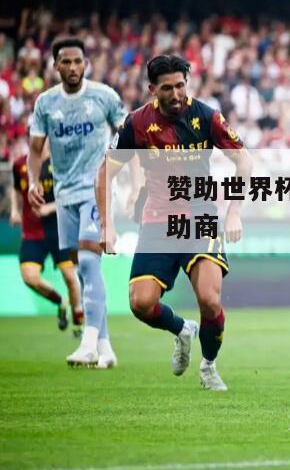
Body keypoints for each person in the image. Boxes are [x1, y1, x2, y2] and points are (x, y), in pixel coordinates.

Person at [98, 55, 251, 391]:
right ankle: (182, 330)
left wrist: (234, 211)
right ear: (152, 89)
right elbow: (105, 173)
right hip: (158, 220)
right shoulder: (137, 123)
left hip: (200, 215)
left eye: (181, 85)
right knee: (141, 304)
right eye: (167, 88)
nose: (176, 94)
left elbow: (244, 161)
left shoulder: (207, 117)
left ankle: (208, 365)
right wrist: (107, 225)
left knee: (209, 300)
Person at [28, 37, 127, 368]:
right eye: (66, 62)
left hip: (96, 189)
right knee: (86, 271)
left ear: (86, 64)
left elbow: (128, 132)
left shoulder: (103, 96)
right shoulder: (45, 103)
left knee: (87, 261)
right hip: (64, 194)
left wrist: (127, 175)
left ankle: (87, 343)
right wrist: (33, 181)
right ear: (56, 66)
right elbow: (34, 149)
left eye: (78, 61)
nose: (72, 67)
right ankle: (105, 347)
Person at [11, 141, 83, 335]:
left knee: (71, 278)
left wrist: (48, 208)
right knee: (29, 277)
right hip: (32, 233)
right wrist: (15, 210)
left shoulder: (61, 165)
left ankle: (79, 321)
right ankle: (60, 301)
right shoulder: (19, 164)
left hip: (59, 231)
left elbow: (72, 196)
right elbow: (16, 188)